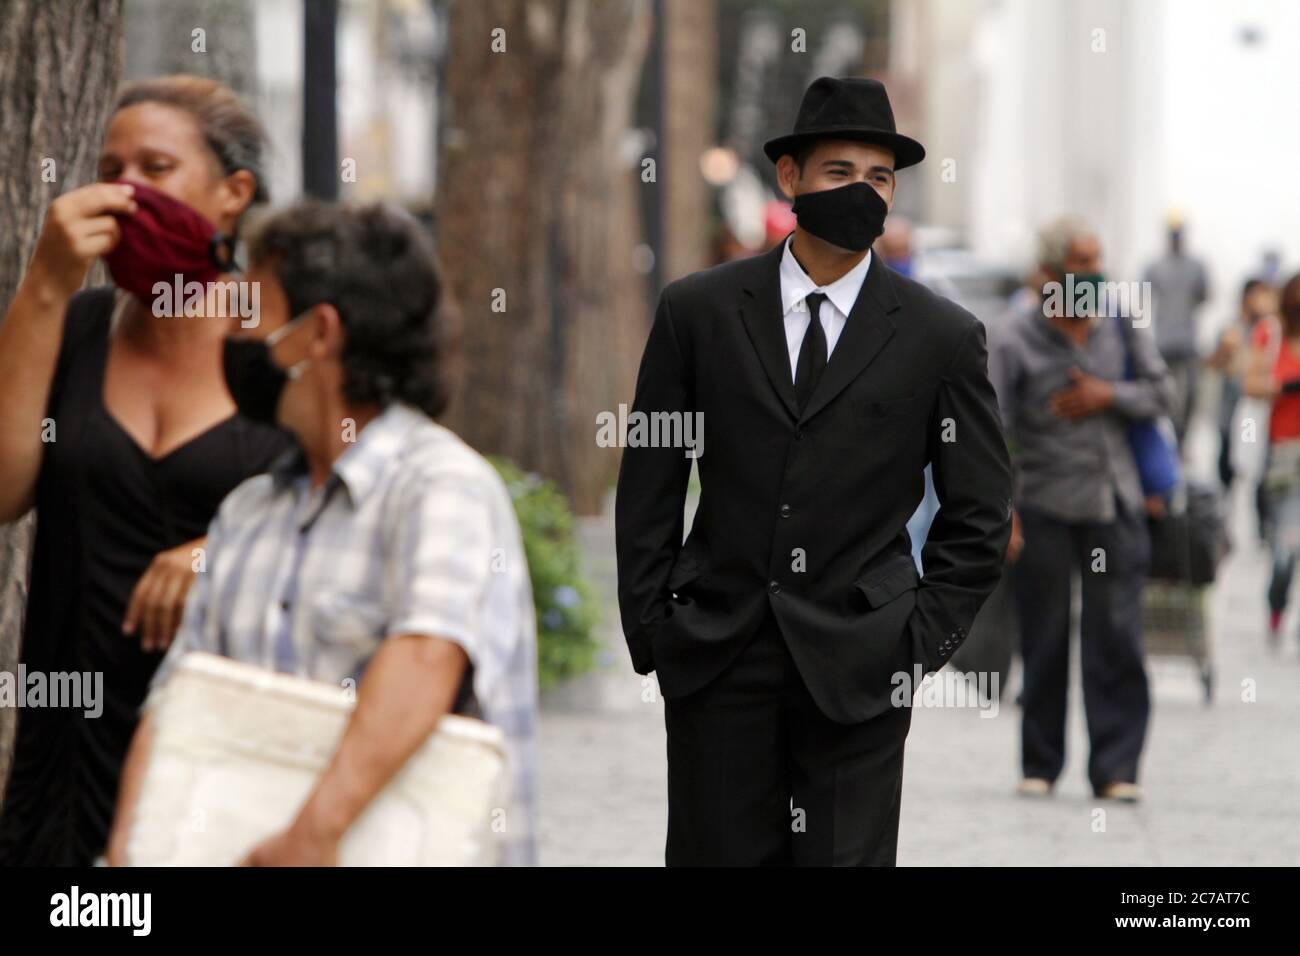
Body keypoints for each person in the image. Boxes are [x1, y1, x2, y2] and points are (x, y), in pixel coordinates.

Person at [616, 76, 1013, 866]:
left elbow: (980, 510)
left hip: (862, 666)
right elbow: (650, 480)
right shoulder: (698, 311)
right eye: (840, 172)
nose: (863, 192)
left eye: (880, 177)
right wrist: (656, 630)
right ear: (790, 177)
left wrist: (917, 641)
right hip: (717, 658)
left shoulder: (942, 336)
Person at [106, 200, 539, 866]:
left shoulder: (439, 486)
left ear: (318, 334)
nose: (233, 330)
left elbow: (425, 658)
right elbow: (179, 699)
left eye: (253, 310)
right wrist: (129, 858)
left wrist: (313, 836)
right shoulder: (250, 511)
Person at [0, 75, 292, 866]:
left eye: (155, 169)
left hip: (232, 746)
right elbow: (4, 489)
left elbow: (358, 513)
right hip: (72, 747)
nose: (125, 192)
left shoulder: (285, 345)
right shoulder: (74, 328)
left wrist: (223, 554)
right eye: (110, 170)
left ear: (233, 193)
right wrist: (45, 285)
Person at [990, 216, 1175, 804]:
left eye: (1099, 262)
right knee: (1044, 639)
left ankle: (1117, 768)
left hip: (1113, 504)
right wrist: (1004, 513)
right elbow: (993, 431)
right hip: (1043, 505)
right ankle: (1040, 763)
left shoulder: (1120, 323)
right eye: (1081, 263)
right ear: (1049, 274)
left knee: (1117, 636)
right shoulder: (1013, 337)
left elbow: (1162, 393)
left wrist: (1107, 394)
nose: (1094, 274)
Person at [1242, 274, 1300, 645]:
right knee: (1289, 545)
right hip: (1284, 452)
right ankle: (1277, 604)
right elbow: (1251, 383)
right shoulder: (1270, 333)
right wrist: (1284, 387)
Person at [1143, 215, 1210, 446]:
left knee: (1191, 393)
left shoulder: (1197, 266)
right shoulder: (1154, 266)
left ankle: (1182, 438)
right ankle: (1167, 439)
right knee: (1163, 393)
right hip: (1162, 341)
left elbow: (1204, 296)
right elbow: (1143, 297)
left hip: (1189, 341)